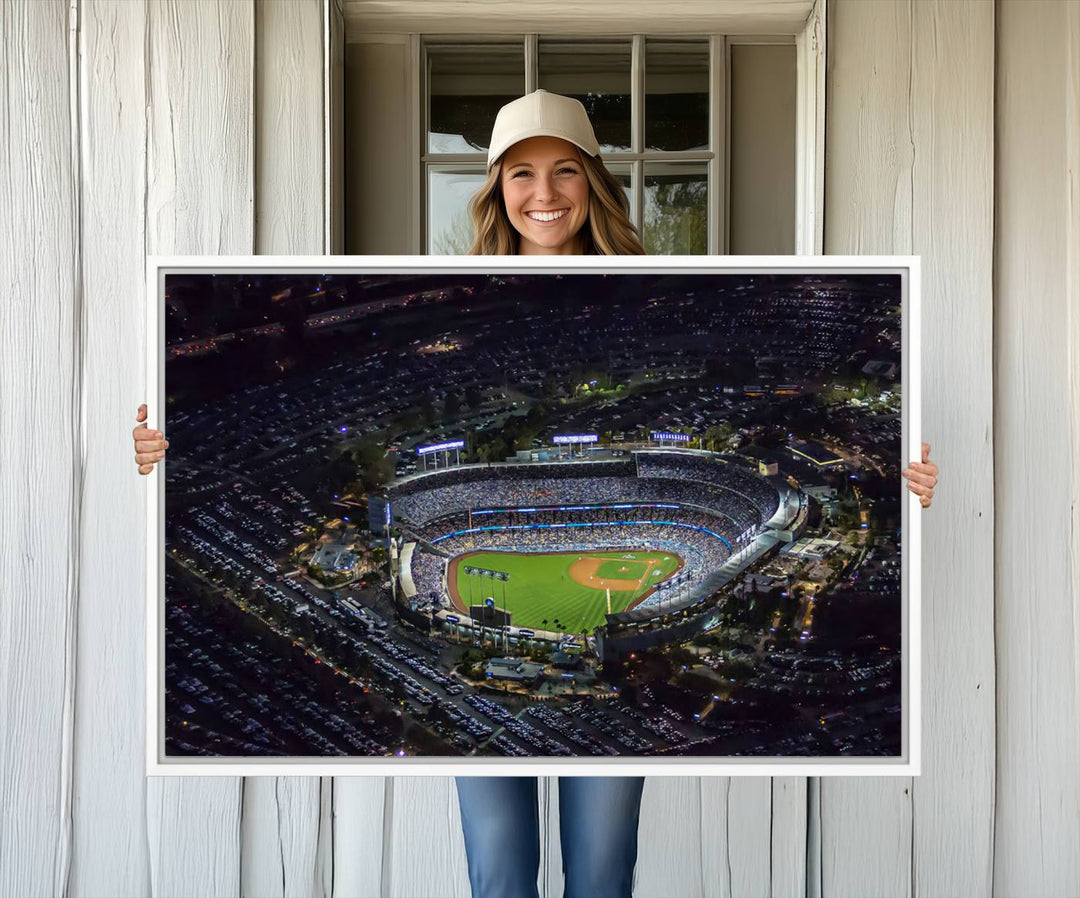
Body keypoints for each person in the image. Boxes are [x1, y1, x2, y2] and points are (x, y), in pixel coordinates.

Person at [131, 89, 940, 898]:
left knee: (600, 870)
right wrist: (167, 449)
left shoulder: (661, 290)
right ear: (495, 190)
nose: (544, 193)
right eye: (521, 174)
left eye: (564, 172)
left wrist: (907, 477)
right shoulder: (457, 299)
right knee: (499, 871)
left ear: (594, 183)